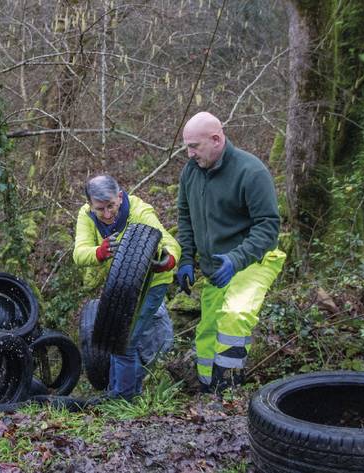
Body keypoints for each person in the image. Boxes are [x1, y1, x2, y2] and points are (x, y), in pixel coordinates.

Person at [176, 112, 285, 394]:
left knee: (234, 316)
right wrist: (186, 258)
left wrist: (237, 259)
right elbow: (185, 217)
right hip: (216, 267)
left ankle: (228, 393)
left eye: (194, 146)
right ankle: (205, 391)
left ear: (216, 139)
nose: (189, 153)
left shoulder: (251, 171)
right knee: (208, 332)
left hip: (255, 261)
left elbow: (269, 225)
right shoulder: (191, 172)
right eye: (186, 147)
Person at [73, 175, 181, 401]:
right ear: (90, 205)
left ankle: (123, 399)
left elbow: (169, 241)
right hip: (120, 283)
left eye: (111, 205)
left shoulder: (140, 212)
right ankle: (119, 392)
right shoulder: (86, 215)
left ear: (120, 197)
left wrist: (169, 260)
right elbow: (79, 253)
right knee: (114, 338)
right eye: (100, 209)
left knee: (125, 340)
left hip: (152, 283)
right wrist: (99, 252)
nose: (107, 213)